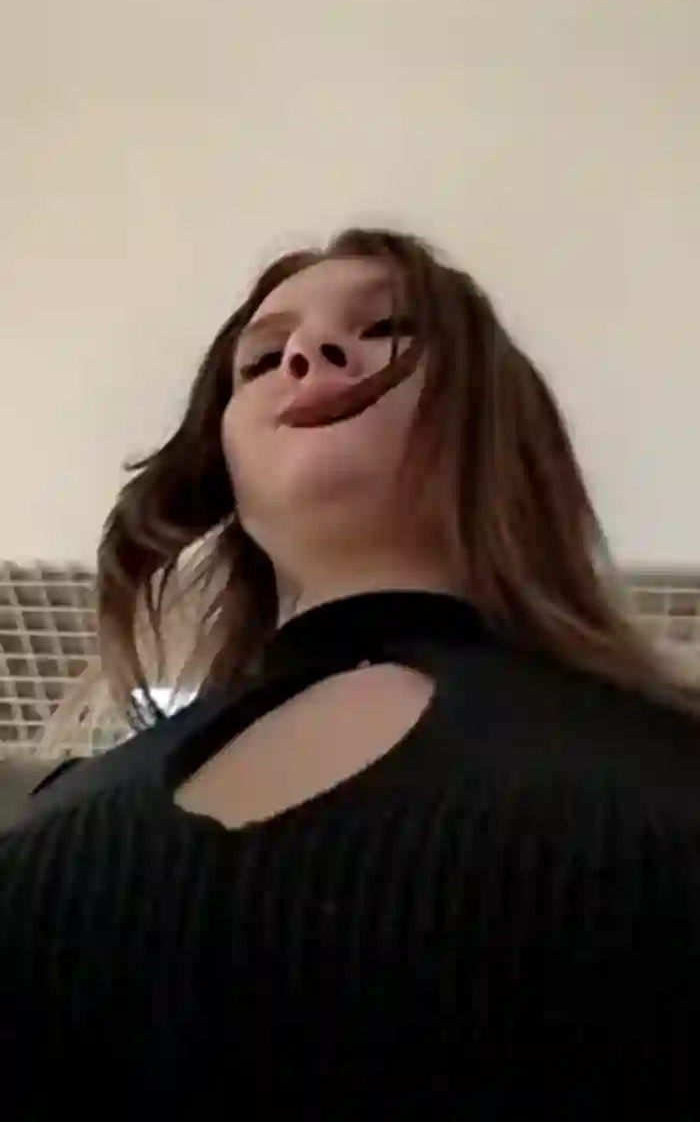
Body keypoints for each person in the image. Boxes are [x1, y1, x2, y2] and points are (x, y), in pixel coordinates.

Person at [2, 227, 699, 1116]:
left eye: (387, 328)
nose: (307, 352)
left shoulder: (669, 772)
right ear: (219, 465)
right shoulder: (53, 823)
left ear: (498, 419)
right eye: (262, 359)